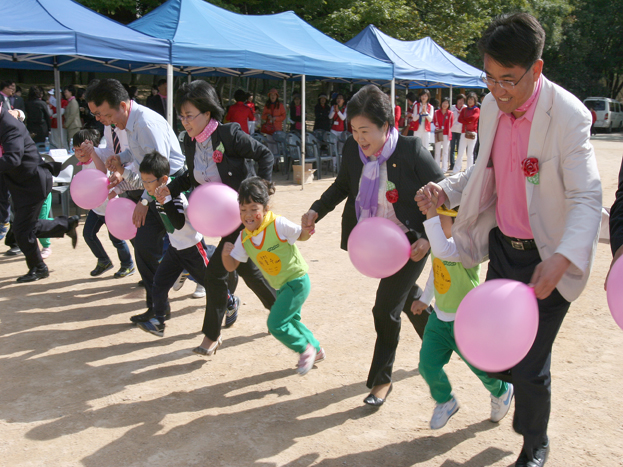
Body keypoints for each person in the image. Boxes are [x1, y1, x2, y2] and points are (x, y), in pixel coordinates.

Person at [416, 13, 602, 467]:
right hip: (503, 250)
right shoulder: (492, 107)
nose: (497, 91)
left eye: (509, 80)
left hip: (547, 260)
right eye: (490, 78)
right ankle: (512, 394)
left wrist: (563, 256)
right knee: (498, 357)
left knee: (531, 365)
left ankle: (533, 443)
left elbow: (586, 195)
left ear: (536, 70)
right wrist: (448, 189)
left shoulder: (569, 116)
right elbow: (483, 171)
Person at [302, 84, 444, 407]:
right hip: (377, 244)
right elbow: (342, 185)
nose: (359, 138)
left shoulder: (411, 151)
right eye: (353, 130)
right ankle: (438, 338)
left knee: (385, 307)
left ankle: (381, 380)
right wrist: (316, 210)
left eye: (365, 130)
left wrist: (427, 237)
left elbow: (444, 192)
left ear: (386, 126)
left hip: (412, 243)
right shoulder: (354, 151)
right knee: (407, 296)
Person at [167, 79, 276, 353]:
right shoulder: (191, 143)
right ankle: (281, 312)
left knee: (215, 274)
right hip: (220, 219)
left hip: (240, 217)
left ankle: (211, 337)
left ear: (207, 113)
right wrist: (168, 189)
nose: (184, 121)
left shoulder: (229, 135)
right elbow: (191, 177)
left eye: (189, 115)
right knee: (248, 270)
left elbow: (265, 155)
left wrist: (259, 192)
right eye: (181, 116)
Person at [85, 78, 186, 323]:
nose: (99, 119)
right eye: (95, 115)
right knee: (145, 248)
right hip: (154, 188)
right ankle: (158, 310)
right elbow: (140, 153)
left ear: (122, 105)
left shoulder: (145, 123)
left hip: (169, 188)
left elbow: (157, 168)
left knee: (188, 250)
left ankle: (225, 298)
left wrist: (142, 202)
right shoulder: (129, 121)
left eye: (102, 114)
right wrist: (121, 157)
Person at [412, 202, 513, 430]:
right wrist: (425, 300)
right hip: (439, 321)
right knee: (427, 365)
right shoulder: (441, 249)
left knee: (482, 369)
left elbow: (441, 251)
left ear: (458, 223)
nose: (435, 223)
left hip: (466, 323)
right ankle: (445, 400)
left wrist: (430, 212)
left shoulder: (466, 248)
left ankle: (502, 391)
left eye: (440, 219)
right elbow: (436, 272)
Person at [223, 176, 325, 374]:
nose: (248, 215)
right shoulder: (245, 237)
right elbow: (231, 266)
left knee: (276, 323)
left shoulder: (278, 224)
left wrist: (306, 230)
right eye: (243, 210)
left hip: (297, 281)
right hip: (282, 286)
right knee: (291, 321)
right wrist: (225, 255)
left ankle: (304, 349)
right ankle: (316, 349)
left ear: (265, 208)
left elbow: (301, 236)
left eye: (254, 209)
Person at [135, 151, 238, 338]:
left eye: (149, 181)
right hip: (175, 250)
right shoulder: (155, 196)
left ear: (164, 179)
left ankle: (231, 302)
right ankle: (159, 321)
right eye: (143, 181)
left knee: (210, 283)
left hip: (193, 249)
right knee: (159, 283)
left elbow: (178, 223)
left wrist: (165, 201)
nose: (145, 186)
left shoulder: (174, 196)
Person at [0, 101, 80, 282]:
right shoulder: (4, 121)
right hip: (22, 184)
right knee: (25, 228)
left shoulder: (8, 125)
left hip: (33, 183)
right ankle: (66, 225)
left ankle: (39, 267)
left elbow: (12, 158)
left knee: (21, 230)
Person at [73, 129, 135, 279]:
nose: (79, 153)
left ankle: (127, 264)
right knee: (88, 234)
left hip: (110, 207)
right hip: (96, 209)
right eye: (76, 150)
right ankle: (104, 261)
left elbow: (101, 171)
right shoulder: (83, 162)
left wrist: (93, 152)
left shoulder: (97, 158)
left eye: (82, 149)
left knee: (116, 239)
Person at [453, 92, 480, 174]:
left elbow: (474, 118)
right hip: (464, 132)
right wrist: (467, 120)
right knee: (460, 152)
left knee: (470, 153)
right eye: (469, 99)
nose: (470, 101)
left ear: (475, 101)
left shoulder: (477, 109)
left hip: (473, 133)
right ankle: (456, 169)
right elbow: (460, 119)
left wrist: (466, 120)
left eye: (472, 99)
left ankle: (469, 170)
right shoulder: (464, 109)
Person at [261, 88, 287, 154]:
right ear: (269, 96)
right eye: (271, 95)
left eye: (274, 95)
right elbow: (263, 116)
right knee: (270, 145)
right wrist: (268, 116)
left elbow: (284, 116)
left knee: (276, 146)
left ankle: (276, 162)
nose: (272, 96)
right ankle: (271, 162)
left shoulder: (280, 105)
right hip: (269, 129)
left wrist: (276, 118)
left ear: (277, 96)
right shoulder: (267, 105)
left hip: (277, 129)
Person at [432, 98, 453, 172]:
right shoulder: (436, 112)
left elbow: (451, 124)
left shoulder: (450, 113)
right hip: (438, 132)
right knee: (437, 151)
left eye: (447, 103)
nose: (445, 105)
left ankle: (444, 168)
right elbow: (434, 121)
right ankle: (436, 167)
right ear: (441, 103)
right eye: (444, 103)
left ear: (448, 105)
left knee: (445, 151)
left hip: (446, 134)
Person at [449, 94, 466, 171]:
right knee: (452, 148)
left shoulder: (465, 108)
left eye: (462, 100)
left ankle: (459, 164)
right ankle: (452, 164)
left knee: (460, 148)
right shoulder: (452, 107)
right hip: (452, 130)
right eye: (459, 100)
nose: (460, 102)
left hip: (461, 130)